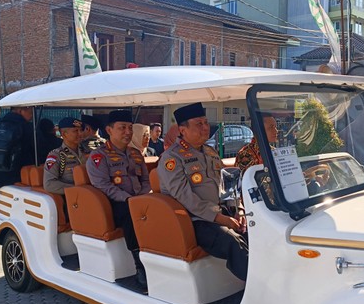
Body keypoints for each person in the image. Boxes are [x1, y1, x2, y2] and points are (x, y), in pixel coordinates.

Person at [158, 102, 248, 281]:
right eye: (199, 124)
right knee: (233, 243)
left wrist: (240, 211)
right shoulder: (172, 158)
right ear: (182, 130)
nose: (206, 127)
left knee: (260, 231)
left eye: (206, 122)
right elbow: (186, 198)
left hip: (224, 213)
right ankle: (259, 293)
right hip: (196, 221)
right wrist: (220, 218)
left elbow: (228, 185)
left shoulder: (211, 152)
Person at [86, 110, 150, 291]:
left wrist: (143, 197)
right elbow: (103, 185)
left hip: (139, 200)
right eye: (122, 128)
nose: (128, 132)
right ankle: (140, 266)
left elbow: (146, 180)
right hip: (113, 205)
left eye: (130, 128)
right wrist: (129, 199)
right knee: (131, 215)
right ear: (109, 130)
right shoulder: (99, 157)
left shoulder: (136, 154)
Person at [0, 106, 35, 209]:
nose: (32, 116)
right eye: (31, 112)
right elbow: (39, 151)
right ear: (21, 110)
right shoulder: (27, 128)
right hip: (15, 179)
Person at [43, 117, 85, 196]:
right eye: (75, 131)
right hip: (72, 198)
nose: (80, 134)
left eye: (81, 130)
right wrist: (77, 189)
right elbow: (49, 184)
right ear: (64, 133)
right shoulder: (56, 155)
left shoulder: (87, 151)